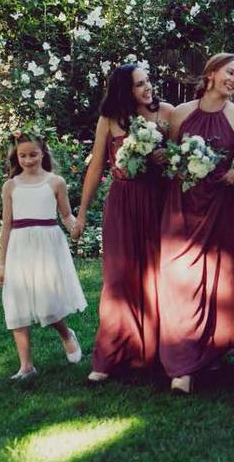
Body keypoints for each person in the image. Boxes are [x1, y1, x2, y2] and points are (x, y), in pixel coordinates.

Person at [158, 53, 234, 394]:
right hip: (182, 205)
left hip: (222, 205)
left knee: (219, 280)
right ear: (211, 73)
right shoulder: (180, 113)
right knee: (179, 279)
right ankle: (181, 364)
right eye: (230, 72)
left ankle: (211, 349)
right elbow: (169, 159)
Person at [73, 63, 174, 384]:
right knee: (118, 276)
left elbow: (180, 157)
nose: (147, 88)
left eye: (148, 81)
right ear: (124, 90)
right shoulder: (110, 120)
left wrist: (166, 156)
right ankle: (109, 354)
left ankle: (153, 352)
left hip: (158, 200)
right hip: (122, 202)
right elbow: (95, 167)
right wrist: (82, 211)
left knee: (155, 275)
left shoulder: (167, 114)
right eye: (139, 84)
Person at [0, 129, 87, 381]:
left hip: (47, 243)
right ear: (16, 157)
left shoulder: (55, 182)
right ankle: (26, 366)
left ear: (43, 153)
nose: (28, 160)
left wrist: (75, 226)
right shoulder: (10, 186)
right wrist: (2, 264)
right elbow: (7, 225)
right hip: (19, 245)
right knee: (16, 302)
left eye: (33, 154)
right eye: (22, 156)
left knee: (48, 301)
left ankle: (67, 335)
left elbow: (66, 215)